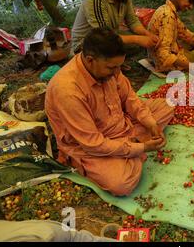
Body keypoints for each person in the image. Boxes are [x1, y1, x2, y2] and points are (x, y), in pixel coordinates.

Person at [45, 27, 174, 196]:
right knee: (121, 183)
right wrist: (141, 148)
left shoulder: (110, 69)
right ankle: (130, 147)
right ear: (90, 60)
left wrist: (150, 123)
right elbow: (93, 143)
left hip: (119, 124)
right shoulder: (68, 91)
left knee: (166, 106)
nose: (116, 73)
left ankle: (130, 145)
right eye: (111, 68)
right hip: (91, 146)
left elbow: (129, 98)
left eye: (119, 66)